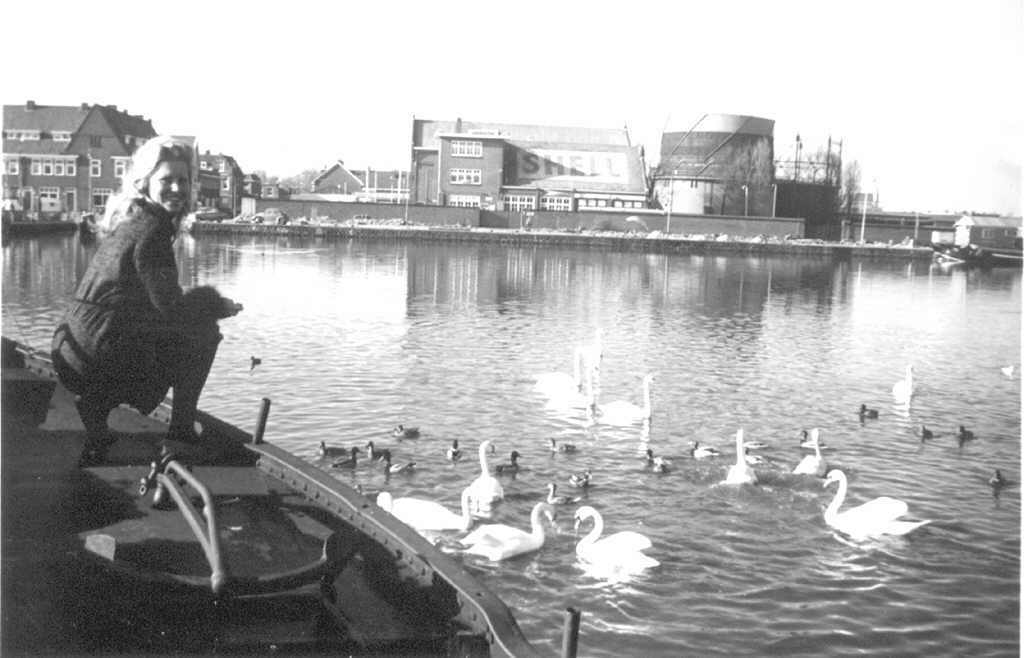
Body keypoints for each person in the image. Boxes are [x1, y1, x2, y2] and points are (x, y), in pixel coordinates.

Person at [51, 135, 242, 466]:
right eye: (166, 180)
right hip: (99, 357)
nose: (177, 189)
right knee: (204, 335)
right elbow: (172, 309)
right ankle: (180, 431)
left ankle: (96, 410)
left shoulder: (130, 220)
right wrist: (216, 306)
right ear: (145, 182)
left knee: (152, 335)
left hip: (70, 352)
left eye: (183, 181)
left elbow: (142, 301)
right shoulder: (153, 232)